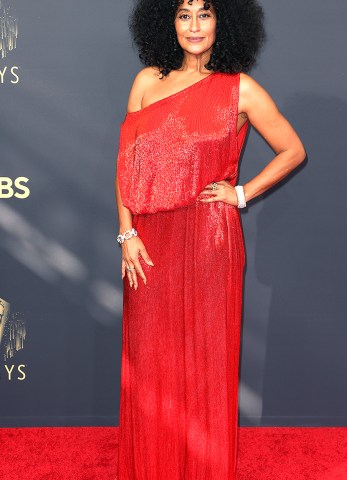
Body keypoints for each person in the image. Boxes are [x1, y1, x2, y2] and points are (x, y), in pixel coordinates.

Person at [115, 0, 306, 478]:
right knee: (150, 363)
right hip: (150, 242)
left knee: (204, 364)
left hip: (209, 241)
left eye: (205, 13)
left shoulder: (239, 89)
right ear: (168, 23)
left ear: (224, 21)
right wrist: (127, 233)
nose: (194, 25)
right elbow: (127, 167)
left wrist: (241, 192)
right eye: (183, 14)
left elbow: (292, 150)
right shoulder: (146, 82)